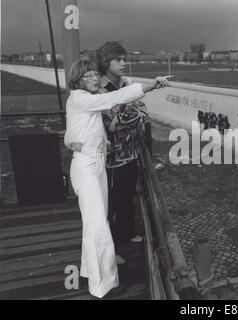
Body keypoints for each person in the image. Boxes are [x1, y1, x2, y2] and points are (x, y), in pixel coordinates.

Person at [64, 59, 169, 298]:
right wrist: (148, 86)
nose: (93, 78)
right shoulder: (80, 98)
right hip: (86, 167)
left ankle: (90, 270)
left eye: (94, 74)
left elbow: (77, 129)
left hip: (95, 164)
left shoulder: (84, 99)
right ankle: (104, 285)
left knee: (96, 221)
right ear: (77, 80)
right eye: (87, 75)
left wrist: (70, 140)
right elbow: (112, 100)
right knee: (99, 226)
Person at [96, 42, 148, 264]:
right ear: (107, 62)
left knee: (128, 198)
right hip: (112, 159)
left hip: (131, 153)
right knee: (112, 205)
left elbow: (143, 113)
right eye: (119, 60)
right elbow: (114, 122)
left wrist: (129, 112)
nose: (124, 63)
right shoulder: (99, 88)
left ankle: (127, 234)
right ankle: (111, 250)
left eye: (124, 59)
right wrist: (130, 112)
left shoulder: (125, 85)